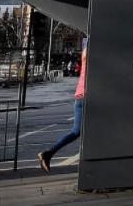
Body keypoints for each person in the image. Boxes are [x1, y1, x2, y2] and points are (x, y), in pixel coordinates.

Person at [39, 42, 86, 172]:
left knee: (77, 131)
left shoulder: (86, 51)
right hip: (85, 97)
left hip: (80, 96)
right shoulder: (94, 52)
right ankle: (48, 153)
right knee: (80, 131)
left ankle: (48, 154)